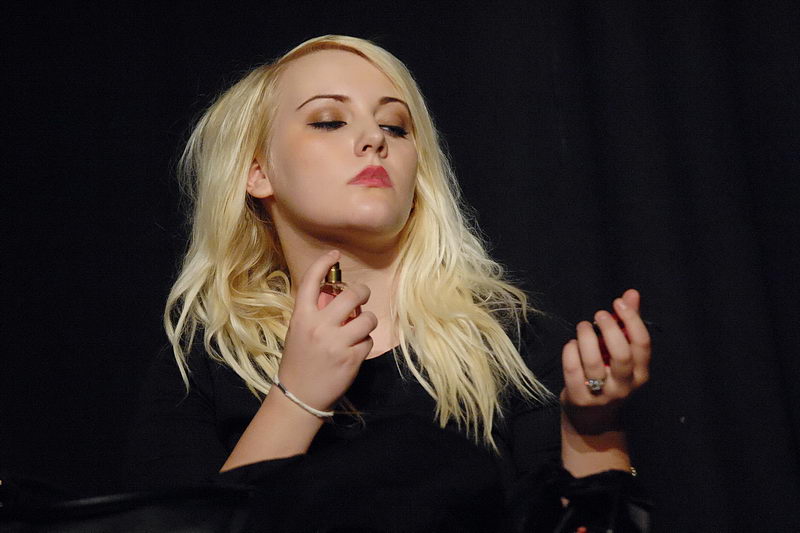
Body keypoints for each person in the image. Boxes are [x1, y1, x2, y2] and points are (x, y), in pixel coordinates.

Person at [127, 35, 652, 532]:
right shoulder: (205, 360)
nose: (374, 138)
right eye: (329, 121)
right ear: (257, 171)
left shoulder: (510, 342)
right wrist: (297, 397)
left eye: (395, 127)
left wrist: (593, 431)